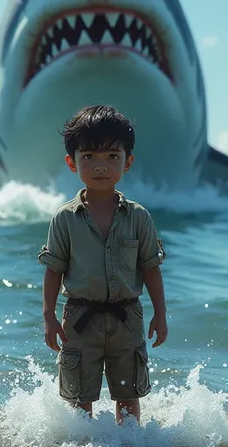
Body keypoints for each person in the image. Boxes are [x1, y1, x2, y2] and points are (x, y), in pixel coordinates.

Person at [38, 104, 167, 424]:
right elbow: (53, 269)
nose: (101, 166)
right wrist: (49, 316)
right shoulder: (65, 219)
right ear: (72, 163)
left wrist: (160, 313)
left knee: (129, 396)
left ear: (128, 162)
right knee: (80, 398)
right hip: (80, 320)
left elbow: (151, 266)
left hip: (128, 320)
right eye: (89, 157)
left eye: (112, 157)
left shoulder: (138, 217)